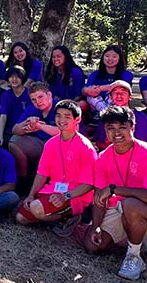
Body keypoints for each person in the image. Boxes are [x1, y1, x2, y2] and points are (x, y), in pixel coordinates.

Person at [84, 106, 147, 281]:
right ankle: (133, 234)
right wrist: (95, 225)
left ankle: (134, 256)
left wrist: (115, 190)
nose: (116, 133)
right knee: (92, 245)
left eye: (122, 128)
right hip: (120, 208)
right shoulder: (103, 158)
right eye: (111, 129)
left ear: (132, 128)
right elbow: (99, 198)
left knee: (130, 204)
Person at [15, 100, 97, 234]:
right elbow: (42, 173)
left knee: (36, 208)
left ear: (77, 119)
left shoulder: (85, 148)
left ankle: (71, 217)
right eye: (58, 115)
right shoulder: (50, 144)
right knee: (21, 218)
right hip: (53, 190)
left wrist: (65, 196)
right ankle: (53, 218)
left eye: (67, 116)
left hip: (74, 195)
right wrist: (31, 195)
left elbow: (89, 185)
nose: (61, 120)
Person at [8, 82, 60, 191]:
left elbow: (68, 131)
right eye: (33, 99)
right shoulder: (31, 109)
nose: (38, 102)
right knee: (14, 142)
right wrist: (26, 125)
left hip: (59, 147)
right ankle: (24, 179)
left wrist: (40, 126)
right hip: (38, 144)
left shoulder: (60, 107)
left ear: (49, 95)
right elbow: (14, 130)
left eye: (40, 97)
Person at [91, 80, 147, 147]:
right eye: (115, 92)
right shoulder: (106, 116)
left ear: (130, 97)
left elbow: (142, 143)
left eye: (123, 92)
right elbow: (99, 142)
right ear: (110, 97)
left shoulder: (140, 117)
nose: (119, 95)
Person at [83, 45, 133, 113]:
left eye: (114, 56)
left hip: (116, 105)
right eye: (107, 56)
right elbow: (85, 89)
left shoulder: (126, 74)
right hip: (97, 105)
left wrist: (100, 88)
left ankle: (106, 112)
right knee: (90, 96)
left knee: (115, 94)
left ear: (119, 59)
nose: (110, 59)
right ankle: (104, 112)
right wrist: (88, 90)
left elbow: (120, 85)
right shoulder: (95, 74)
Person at [0, 66, 31, 146]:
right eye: (11, 77)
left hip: (28, 130)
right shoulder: (5, 95)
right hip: (10, 130)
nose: (14, 80)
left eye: (17, 77)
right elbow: (3, 115)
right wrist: (0, 136)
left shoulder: (29, 93)